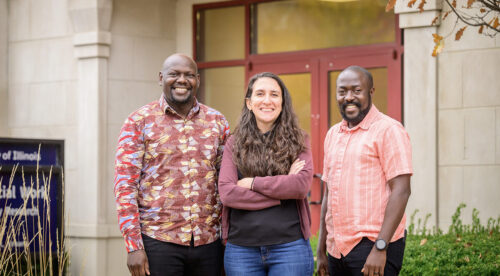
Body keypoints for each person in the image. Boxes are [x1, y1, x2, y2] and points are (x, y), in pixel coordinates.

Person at [114, 53, 230, 276]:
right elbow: (125, 186)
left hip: (210, 243)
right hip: (158, 242)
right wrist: (134, 246)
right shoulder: (139, 121)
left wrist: (227, 237)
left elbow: (224, 183)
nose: (182, 80)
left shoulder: (218, 122)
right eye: (174, 74)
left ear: (198, 79)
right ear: (161, 78)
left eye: (189, 75)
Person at [316, 66, 412, 276]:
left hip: (373, 247)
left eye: (356, 90)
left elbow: (402, 190)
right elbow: (328, 194)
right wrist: (321, 248)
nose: (348, 97)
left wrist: (380, 247)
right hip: (336, 250)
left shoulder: (389, 130)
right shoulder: (333, 134)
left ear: (370, 92)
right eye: (342, 91)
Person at [218, 72, 314, 276]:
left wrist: (252, 183)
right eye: (260, 94)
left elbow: (300, 187)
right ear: (249, 103)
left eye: (274, 94)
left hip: (290, 248)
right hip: (242, 251)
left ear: (282, 102)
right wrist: (281, 193)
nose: (267, 101)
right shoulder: (234, 143)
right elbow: (227, 193)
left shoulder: (299, 140)